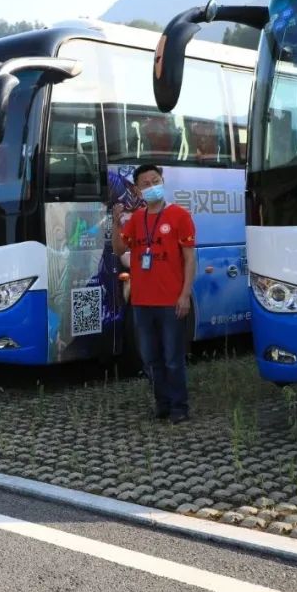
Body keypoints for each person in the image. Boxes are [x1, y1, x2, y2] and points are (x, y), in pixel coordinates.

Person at [111, 164, 196, 424]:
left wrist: (184, 295)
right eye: (145, 184)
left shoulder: (179, 216)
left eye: (155, 180)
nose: (151, 186)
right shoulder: (136, 219)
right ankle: (162, 403)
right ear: (137, 189)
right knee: (150, 359)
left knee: (173, 359)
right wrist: (116, 222)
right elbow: (117, 249)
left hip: (170, 302)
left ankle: (179, 407)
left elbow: (190, 260)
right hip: (142, 302)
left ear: (163, 181)